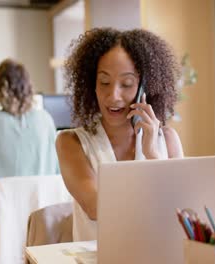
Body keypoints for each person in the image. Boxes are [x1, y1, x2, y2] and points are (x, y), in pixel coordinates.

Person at [55, 28, 184, 242]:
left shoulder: (168, 140)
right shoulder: (71, 142)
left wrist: (153, 155)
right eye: (104, 82)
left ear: (144, 87)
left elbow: (181, 209)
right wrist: (159, 195)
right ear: (91, 85)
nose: (113, 96)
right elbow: (96, 207)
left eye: (126, 84)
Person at [0, 57, 59, 225]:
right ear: (29, 87)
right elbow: (56, 172)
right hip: (41, 218)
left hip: (1, 221)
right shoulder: (46, 119)